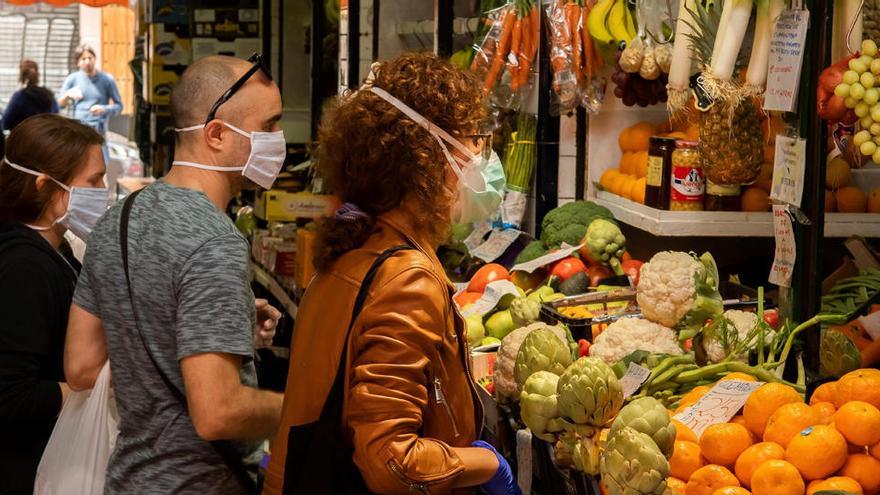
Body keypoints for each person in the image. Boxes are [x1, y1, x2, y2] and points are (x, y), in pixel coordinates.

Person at [264, 53, 514, 495]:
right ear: (426, 155)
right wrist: (485, 465)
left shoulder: (352, 247)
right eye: (473, 141)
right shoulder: (407, 280)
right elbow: (390, 461)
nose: (481, 156)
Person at [63, 54, 285, 494]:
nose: (280, 141)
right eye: (270, 126)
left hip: (128, 479)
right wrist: (309, 406)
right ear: (217, 134)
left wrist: (221, 324)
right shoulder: (215, 241)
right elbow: (217, 411)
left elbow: (81, 366)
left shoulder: (117, 220)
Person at [0, 114, 106, 494]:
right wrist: (95, 389)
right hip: (24, 469)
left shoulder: (55, 248)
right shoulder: (24, 268)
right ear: (46, 186)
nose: (103, 190)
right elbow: (11, 396)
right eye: (94, 181)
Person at [58, 45, 123, 137]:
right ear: (78, 62)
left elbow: (119, 107)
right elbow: (58, 106)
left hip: (99, 131)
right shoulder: (72, 79)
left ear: (95, 59)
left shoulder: (107, 79)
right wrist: (67, 95)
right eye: (83, 59)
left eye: (90, 58)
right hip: (78, 130)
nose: (87, 62)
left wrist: (104, 109)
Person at [2, 60, 59, 131]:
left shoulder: (20, 96)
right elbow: (56, 115)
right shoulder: (49, 95)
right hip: (46, 139)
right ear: (38, 75)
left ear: (21, 76)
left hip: (23, 138)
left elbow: (5, 123)